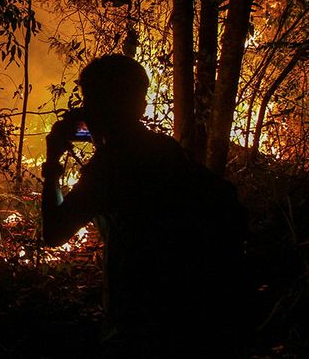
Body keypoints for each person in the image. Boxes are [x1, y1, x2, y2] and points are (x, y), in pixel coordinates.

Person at [41, 54, 246, 358]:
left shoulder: (108, 168)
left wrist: (53, 164)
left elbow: (54, 233)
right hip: (188, 314)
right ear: (140, 104)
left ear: (99, 105)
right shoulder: (165, 149)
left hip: (136, 323)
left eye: (89, 99)